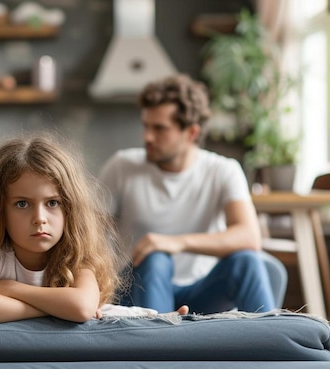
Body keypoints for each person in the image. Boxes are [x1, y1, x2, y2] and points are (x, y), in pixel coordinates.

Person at [99, 74, 276, 314]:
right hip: (137, 293)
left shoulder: (223, 170)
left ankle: (276, 347)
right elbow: (88, 231)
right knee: (155, 258)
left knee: (247, 260)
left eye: (159, 129)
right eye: (146, 126)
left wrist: (177, 242)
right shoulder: (121, 166)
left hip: (198, 294)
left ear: (191, 132)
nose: (147, 137)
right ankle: (161, 348)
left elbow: (249, 236)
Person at [0, 132, 133, 326]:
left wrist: (12, 289)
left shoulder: (76, 258)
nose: (39, 219)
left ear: (70, 209)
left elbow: (81, 307)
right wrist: (57, 309)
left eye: (52, 203)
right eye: (22, 204)